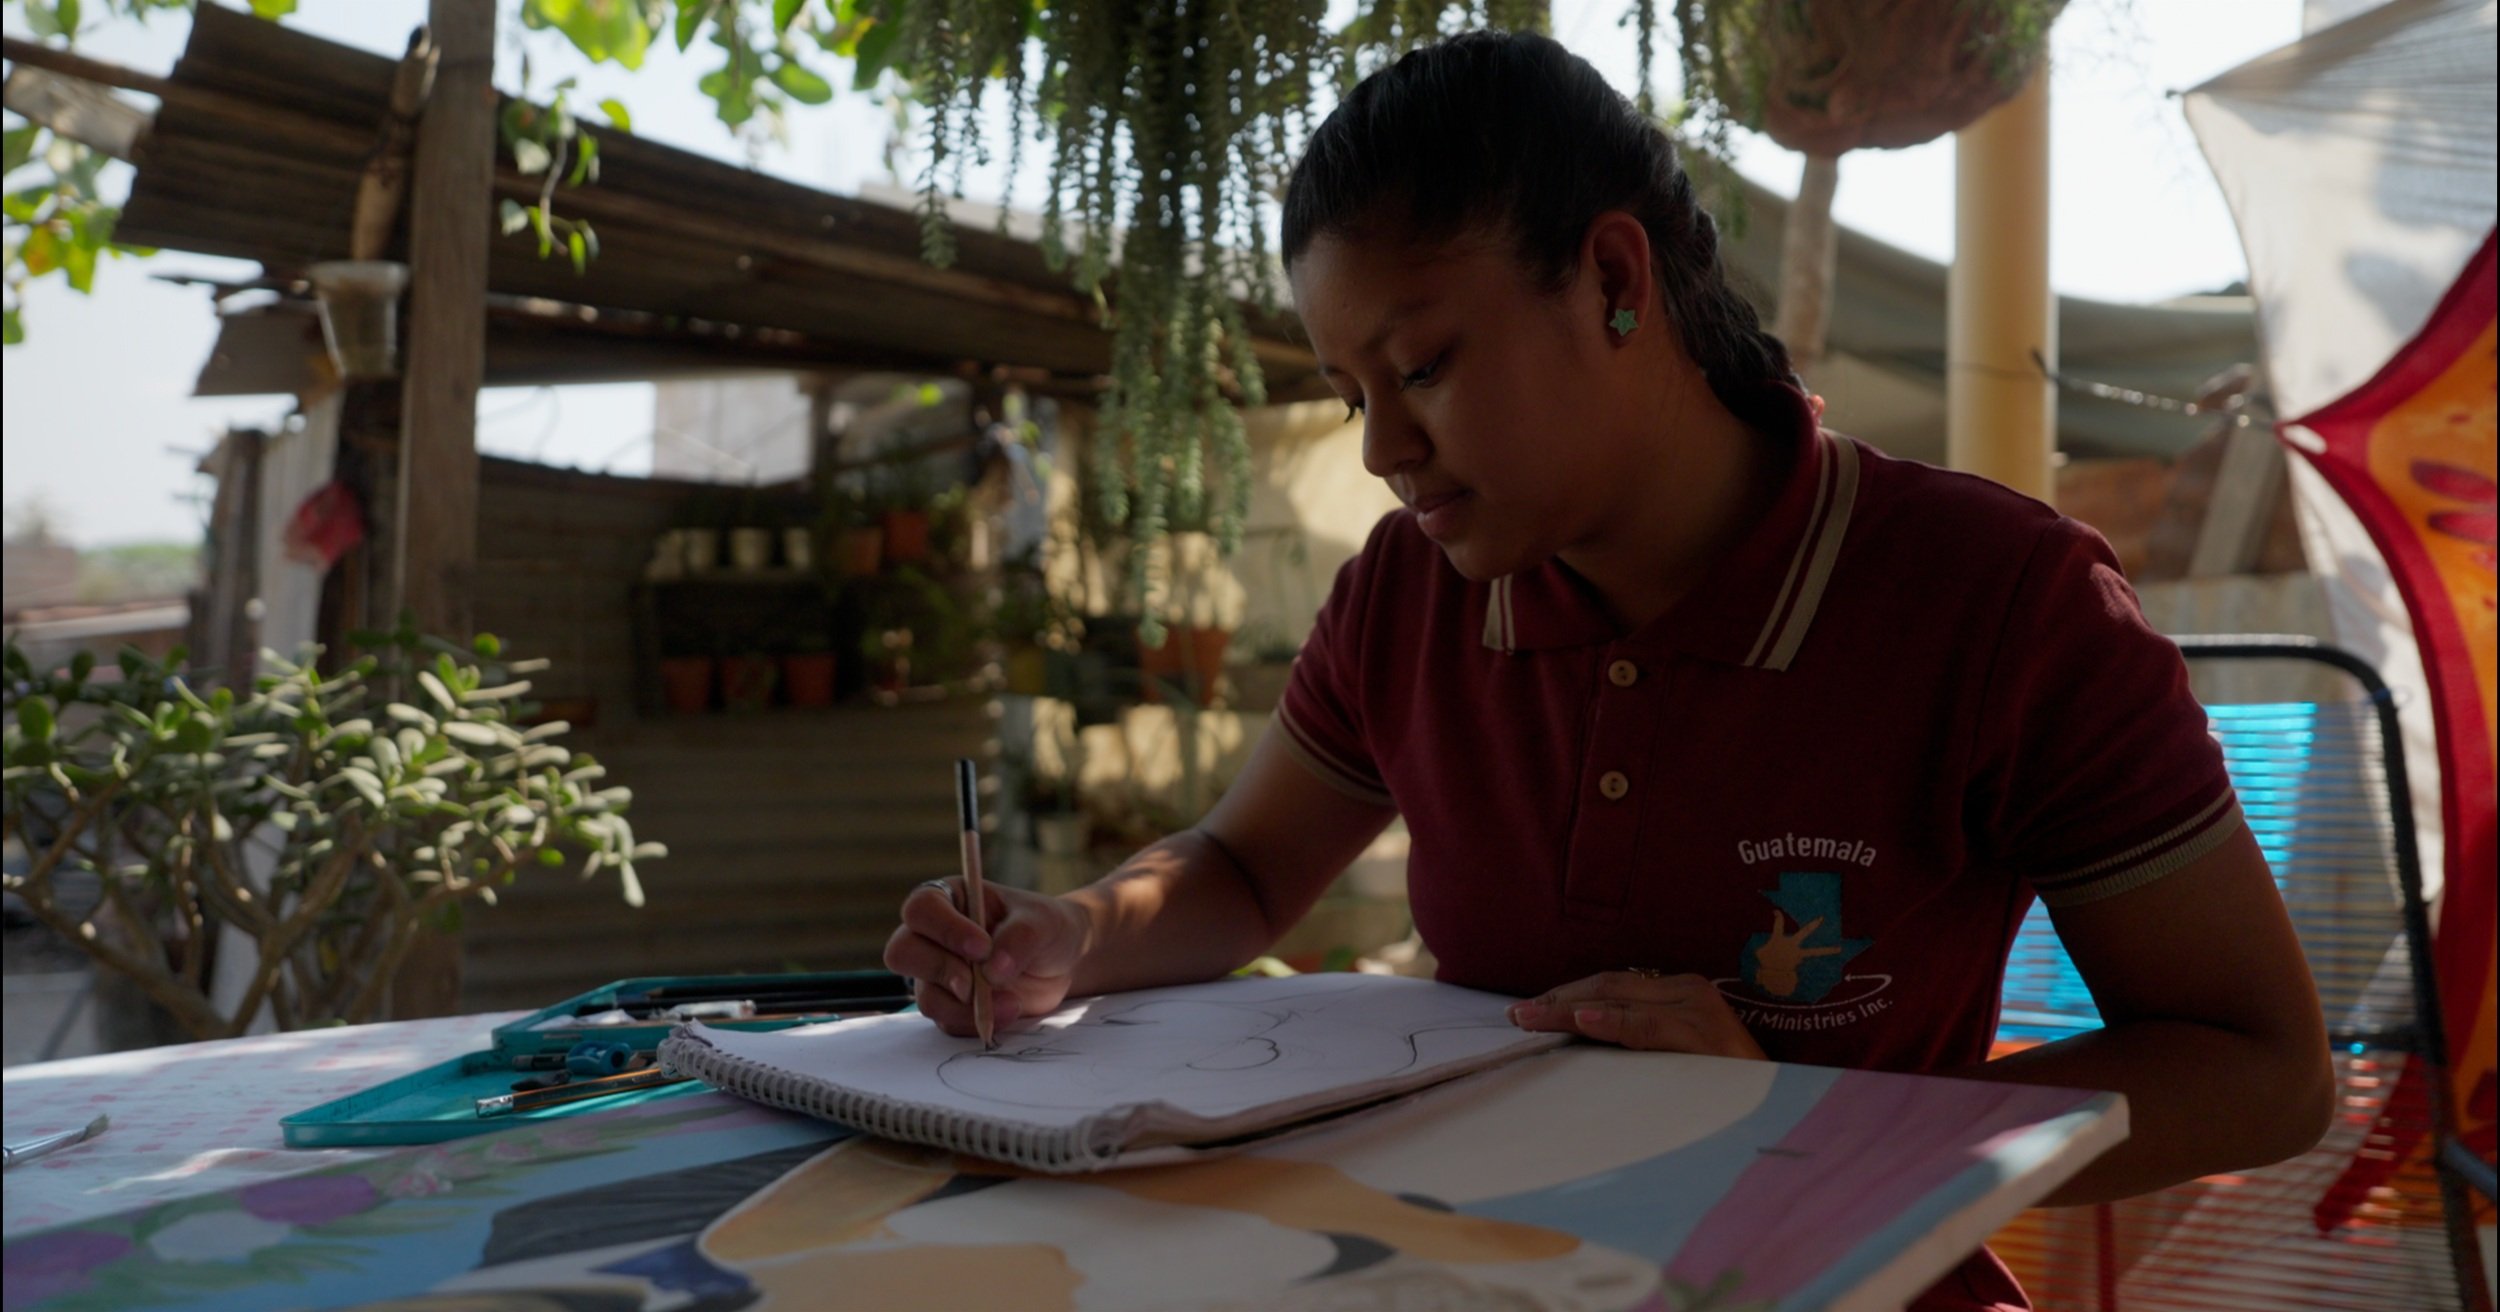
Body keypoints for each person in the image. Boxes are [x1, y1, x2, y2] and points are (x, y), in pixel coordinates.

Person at [886, 30, 2332, 1310]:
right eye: (1350, 393)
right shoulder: (1408, 594)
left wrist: (1802, 1125)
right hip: (1456, 1271)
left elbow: (2263, 1069)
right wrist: (1068, 936)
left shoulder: (1999, 604)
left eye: (1424, 366)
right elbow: (1244, 870)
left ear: (1615, 279)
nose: (1383, 447)